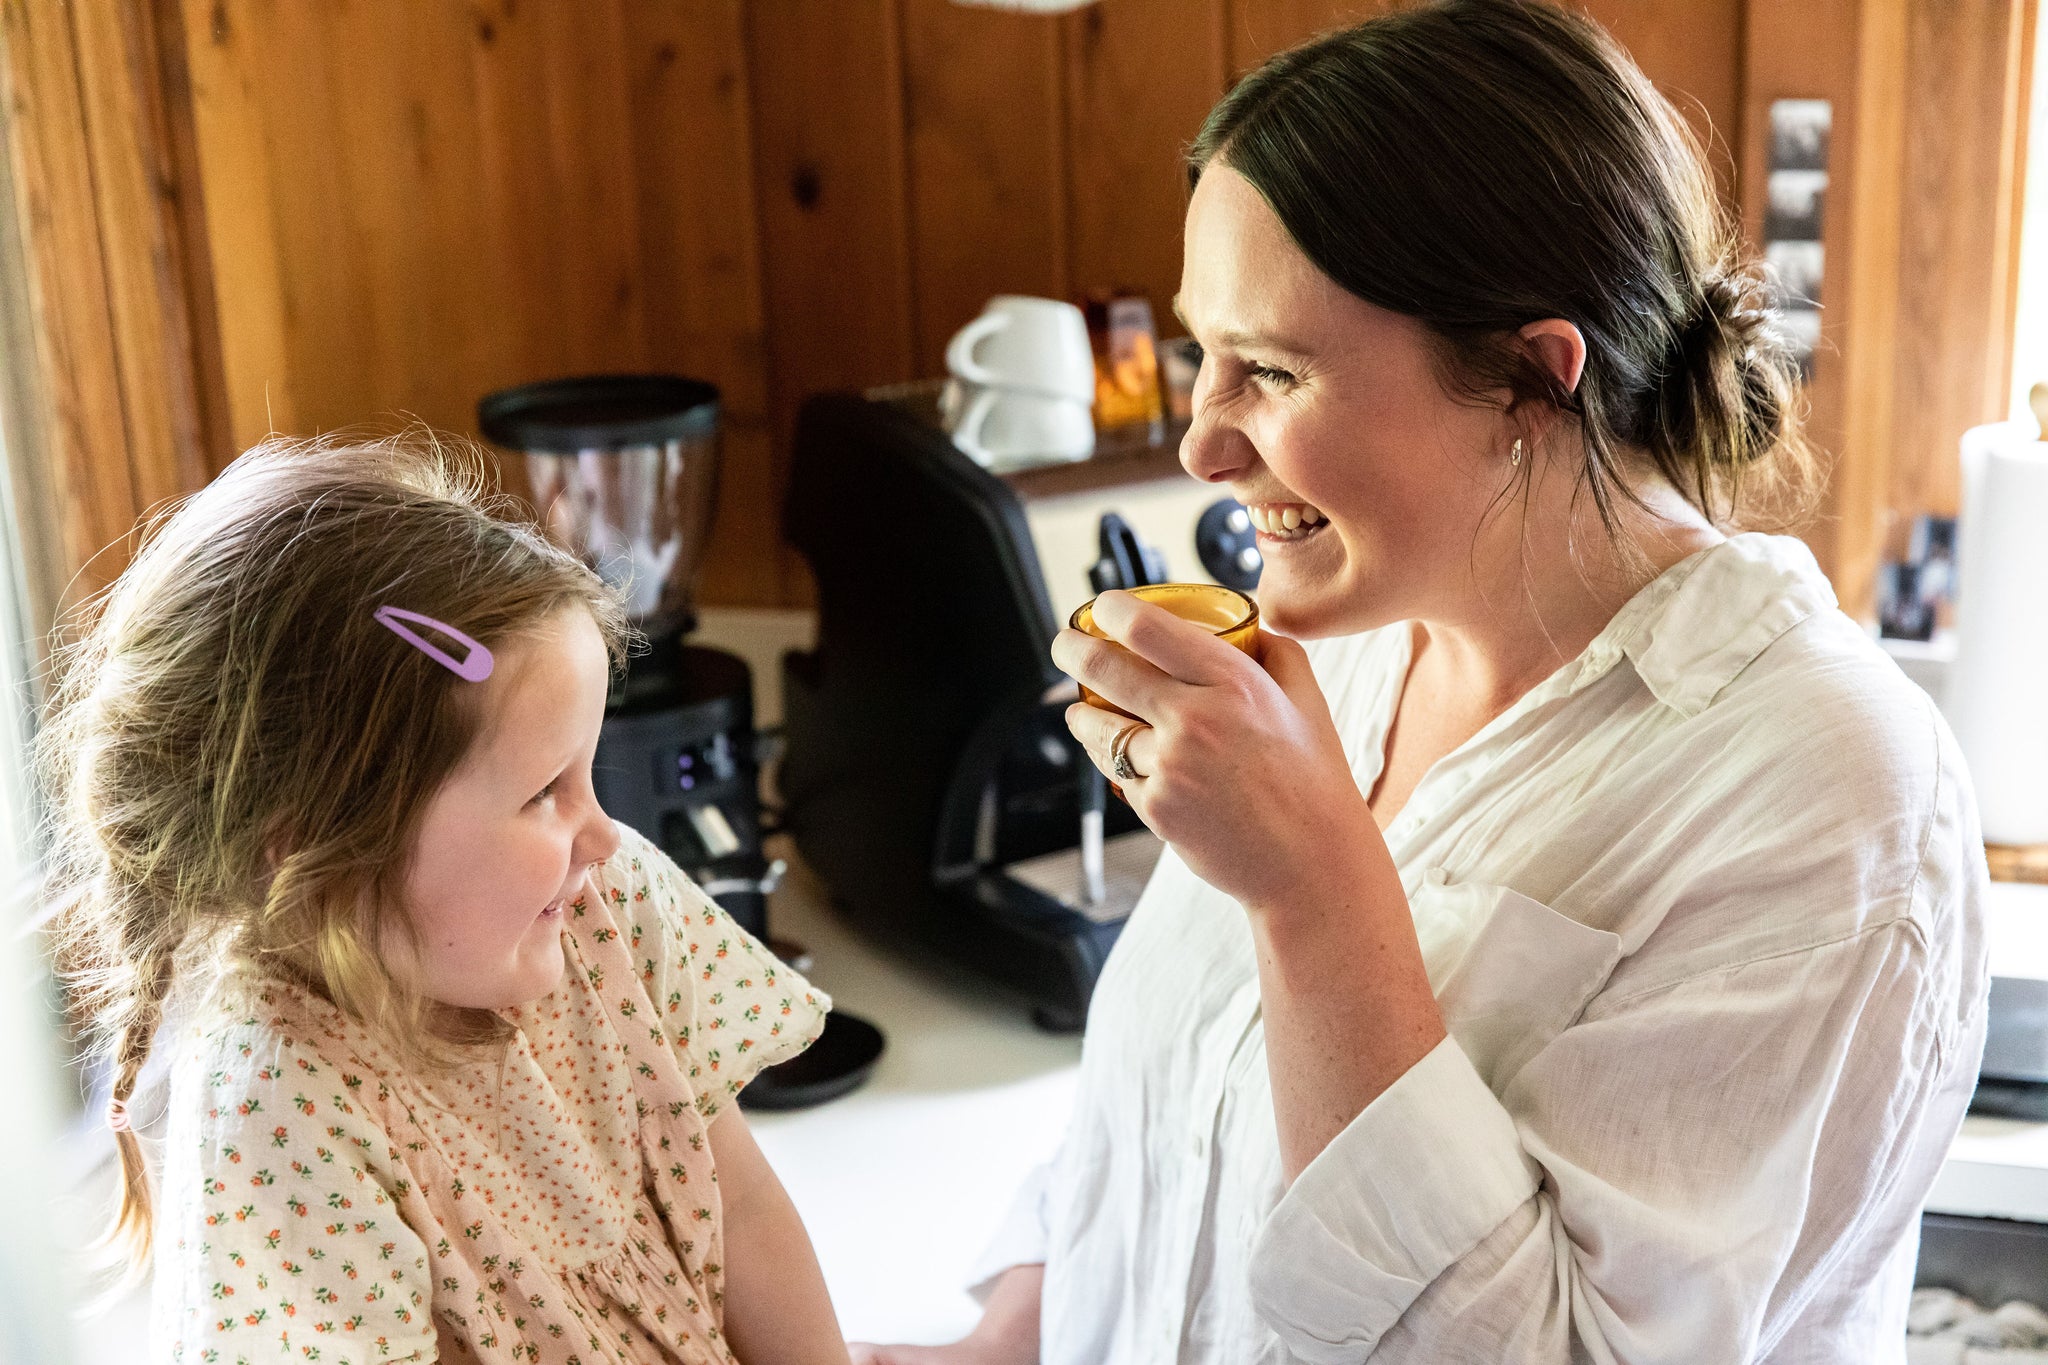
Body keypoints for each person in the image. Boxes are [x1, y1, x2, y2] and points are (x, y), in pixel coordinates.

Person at [851, 1, 1988, 1361]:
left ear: (1528, 376)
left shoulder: (1832, 800)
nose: (1205, 440)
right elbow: (1172, 1118)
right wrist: (1003, 1345)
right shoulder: (1343, 637)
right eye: (1202, 353)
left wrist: (1318, 896)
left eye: (1270, 370)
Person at [41, 435, 852, 1364]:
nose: (601, 832)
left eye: (587, 772)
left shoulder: (599, 902)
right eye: (544, 790)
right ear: (316, 854)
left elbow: (739, 1205)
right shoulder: (279, 1112)